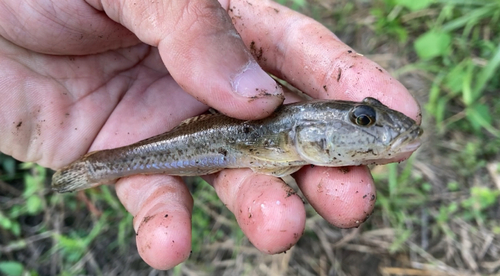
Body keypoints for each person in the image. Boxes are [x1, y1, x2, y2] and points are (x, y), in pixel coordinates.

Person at [0, 0, 421, 270]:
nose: (371, 124)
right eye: (364, 119)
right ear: (309, 131)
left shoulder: (299, 133)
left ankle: (101, 167)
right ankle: (99, 168)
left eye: (366, 118)